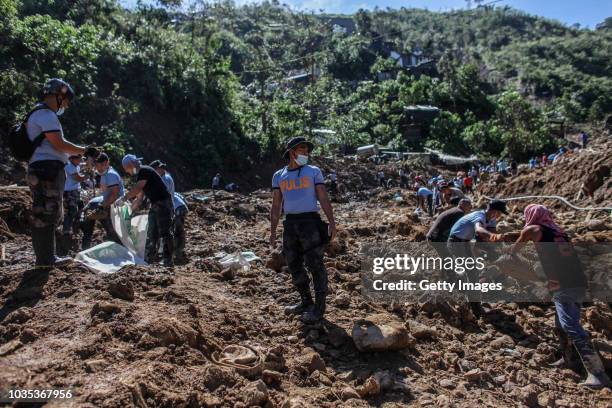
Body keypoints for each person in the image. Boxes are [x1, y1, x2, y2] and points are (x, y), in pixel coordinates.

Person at [510, 204, 610, 389]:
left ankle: (598, 374)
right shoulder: (558, 231)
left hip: (563, 284)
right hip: (577, 281)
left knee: (570, 325)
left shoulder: (533, 228)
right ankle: (568, 359)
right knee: (561, 324)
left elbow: (515, 250)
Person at [25, 78, 98, 268]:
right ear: (58, 95)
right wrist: (84, 150)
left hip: (43, 169)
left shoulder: (38, 114)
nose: (65, 106)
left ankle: (45, 258)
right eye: (65, 101)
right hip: (47, 170)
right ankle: (46, 260)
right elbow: (59, 144)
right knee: (47, 213)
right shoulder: (46, 115)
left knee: (46, 211)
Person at [270, 137, 336, 323]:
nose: (306, 154)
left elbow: (322, 197)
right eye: (302, 150)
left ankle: (319, 308)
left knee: (315, 264)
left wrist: (331, 221)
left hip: (310, 222)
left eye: (307, 151)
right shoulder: (279, 176)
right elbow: (276, 205)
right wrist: (273, 231)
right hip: (290, 224)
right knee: (293, 263)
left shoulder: (313, 171)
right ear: (292, 152)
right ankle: (306, 301)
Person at [119, 154, 174, 267]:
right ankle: (149, 260)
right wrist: (129, 212)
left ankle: (168, 261)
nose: (128, 172)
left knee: (165, 232)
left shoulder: (144, 170)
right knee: (152, 232)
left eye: (127, 169)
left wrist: (124, 198)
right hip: (155, 204)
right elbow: (139, 197)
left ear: (130, 165)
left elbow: (138, 188)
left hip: (163, 203)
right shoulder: (142, 174)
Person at [81, 153, 123, 249]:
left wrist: (101, 206)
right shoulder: (105, 173)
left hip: (109, 205)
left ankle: (119, 251)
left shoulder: (110, 174)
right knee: (107, 231)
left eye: (101, 165)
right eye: (97, 166)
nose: (98, 168)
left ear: (106, 163)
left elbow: (114, 194)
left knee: (112, 232)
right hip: (104, 204)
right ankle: (85, 249)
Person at [151, 160, 188, 263]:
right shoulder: (163, 178)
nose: (162, 169)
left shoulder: (165, 179)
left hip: (176, 208)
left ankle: (176, 255)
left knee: (174, 232)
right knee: (174, 232)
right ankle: (176, 254)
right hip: (176, 207)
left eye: (162, 168)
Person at [62, 154, 88, 236]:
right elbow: (78, 178)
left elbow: (83, 165)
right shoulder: (70, 166)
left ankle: (76, 227)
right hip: (69, 191)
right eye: (79, 159)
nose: (80, 161)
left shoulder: (75, 164)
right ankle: (66, 230)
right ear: (73, 159)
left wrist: (89, 163)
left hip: (75, 190)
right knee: (72, 210)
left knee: (81, 207)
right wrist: (86, 176)